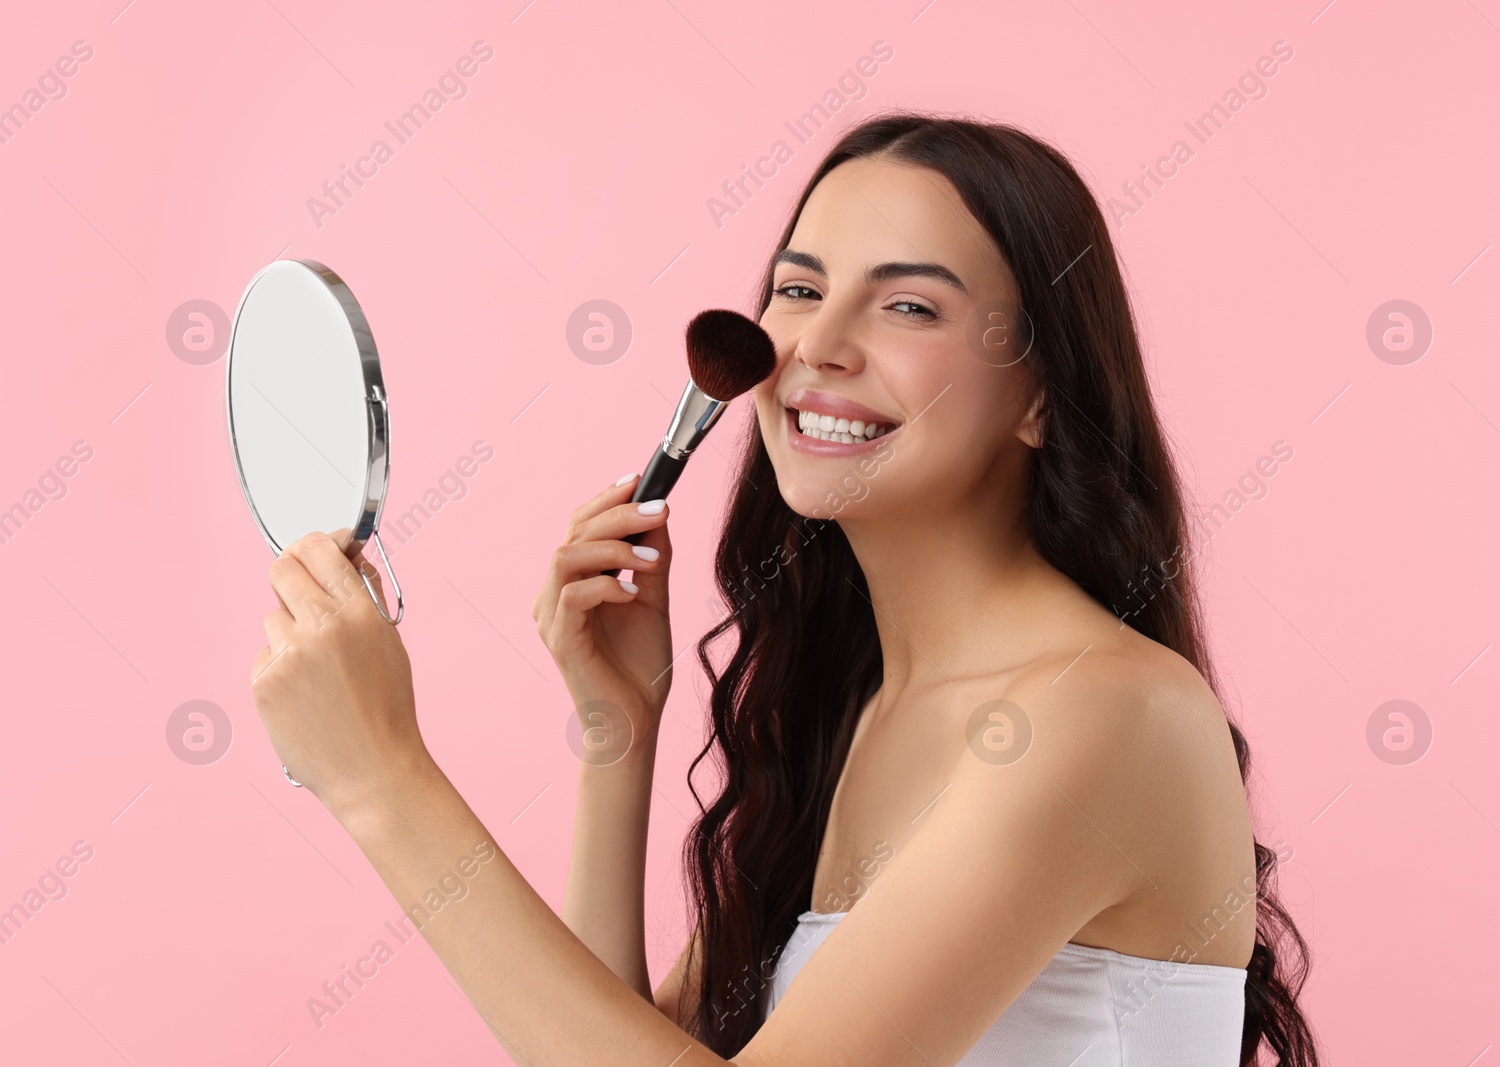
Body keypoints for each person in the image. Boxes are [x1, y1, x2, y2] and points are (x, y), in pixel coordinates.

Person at [249, 112, 1321, 1066]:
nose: (816, 343)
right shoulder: (843, 717)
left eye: (906, 304)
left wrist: (381, 778)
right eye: (800, 289)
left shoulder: (1105, 712)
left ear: (1038, 396)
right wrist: (616, 735)